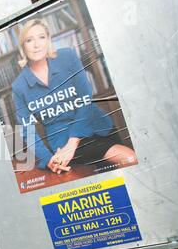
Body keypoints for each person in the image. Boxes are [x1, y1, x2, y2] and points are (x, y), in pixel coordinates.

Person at [12, 19, 137, 174]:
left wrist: (73, 143)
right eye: (29, 40)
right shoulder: (19, 86)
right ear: (23, 46)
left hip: (98, 127)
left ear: (48, 39)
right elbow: (27, 130)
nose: (37, 45)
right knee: (129, 158)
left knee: (121, 175)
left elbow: (86, 99)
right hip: (63, 142)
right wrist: (48, 159)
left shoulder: (67, 57)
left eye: (41, 37)